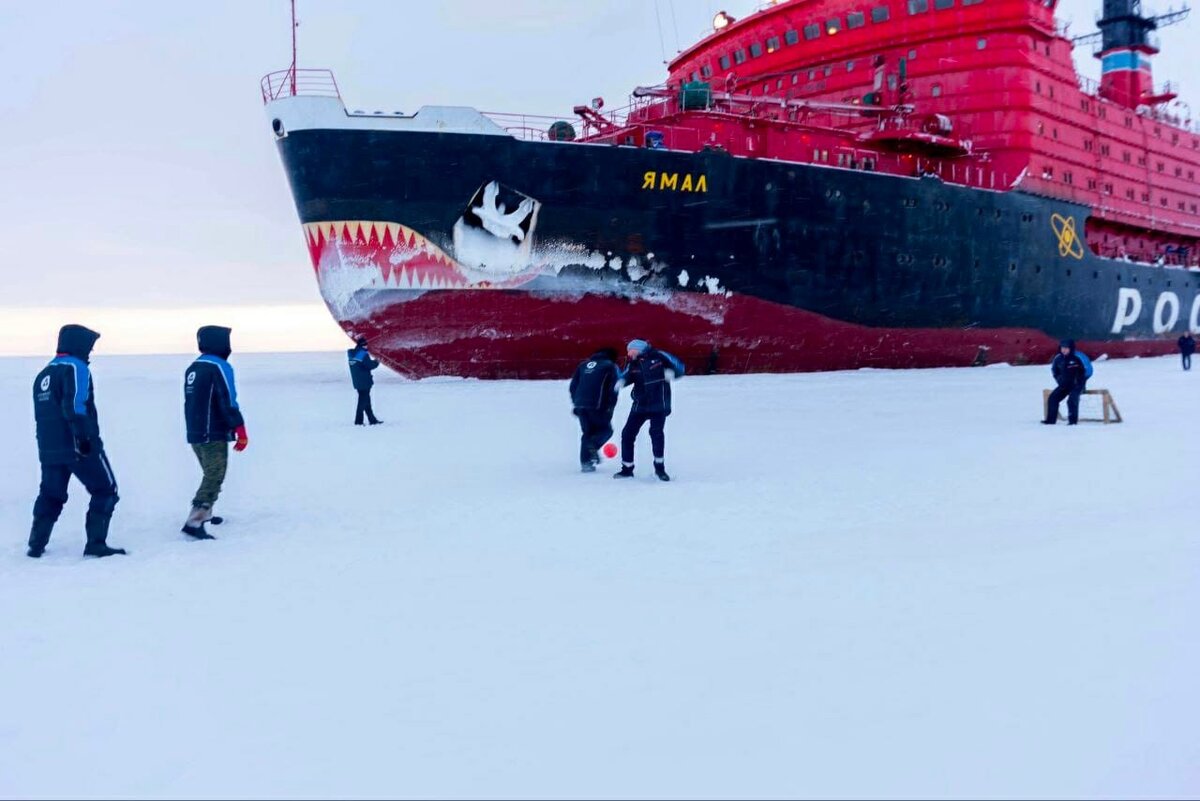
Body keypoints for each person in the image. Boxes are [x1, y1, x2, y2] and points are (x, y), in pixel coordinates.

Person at [28, 324, 126, 558]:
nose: (90, 353)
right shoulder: (76, 368)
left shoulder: (44, 373)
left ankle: (36, 545)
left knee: (51, 494)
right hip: (79, 446)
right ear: (78, 345)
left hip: (49, 448)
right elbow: (75, 406)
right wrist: (84, 439)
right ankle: (96, 544)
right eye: (89, 347)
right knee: (106, 489)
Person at [182, 326, 248, 539]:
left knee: (209, 472)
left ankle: (207, 512)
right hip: (213, 433)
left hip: (195, 430)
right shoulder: (219, 366)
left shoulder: (194, 367)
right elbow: (228, 399)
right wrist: (240, 428)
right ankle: (196, 520)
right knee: (214, 475)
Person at [615, 339, 685, 481]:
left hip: (658, 405)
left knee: (656, 434)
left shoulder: (659, 356)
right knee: (627, 434)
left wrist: (672, 373)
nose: (628, 353)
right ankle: (627, 469)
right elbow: (626, 376)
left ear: (639, 349)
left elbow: (679, 367)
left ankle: (660, 469)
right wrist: (620, 381)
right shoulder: (633, 363)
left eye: (630, 350)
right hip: (640, 405)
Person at [569, 347, 622, 472]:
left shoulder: (583, 365)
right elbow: (613, 388)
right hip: (598, 405)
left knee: (587, 433)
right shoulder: (610, 366)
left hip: (580, 405)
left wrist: (576, 403)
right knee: (606, 430)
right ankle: (592, 446)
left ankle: (586, 464)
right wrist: (610, 407)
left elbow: (573, 386)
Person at [1043, 338, 1093, 426]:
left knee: (1072, 400)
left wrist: (1080, 381)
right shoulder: (1058, 358)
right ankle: (1050, 421)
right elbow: (1054, 371)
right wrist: (1059, 380)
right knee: (1053, 398)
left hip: (1077, 385)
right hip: (1064, 385)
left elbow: (1089, 371)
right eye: (1062, 348)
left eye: (1066, 348)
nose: (1064, 350)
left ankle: (1072, 422)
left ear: (1071, 348)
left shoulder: (1078, 357)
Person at [348, 335, 382, 425]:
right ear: (362, 345)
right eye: (365, 345)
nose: (366, 347)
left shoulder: (352, 354)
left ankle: (372, 420)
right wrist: (377, 361)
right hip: (364, 381)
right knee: (363, 402)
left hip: (357, 381)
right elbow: (370, 365)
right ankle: (358, 421)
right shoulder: (362, 354)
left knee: (366, 401)